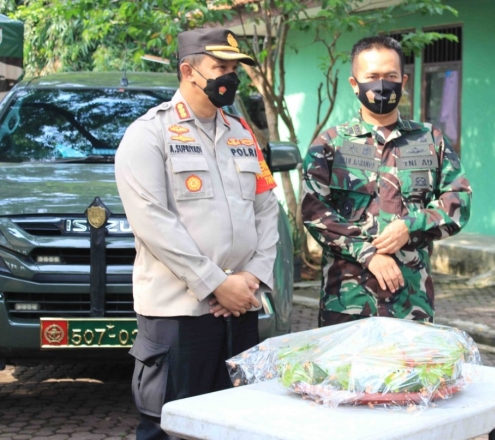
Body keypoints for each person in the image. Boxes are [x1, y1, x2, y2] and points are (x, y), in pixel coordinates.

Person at [115, 28, 279, 439]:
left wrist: (251, 278)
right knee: (170, 426)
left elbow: (267, 208)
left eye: (234, 69)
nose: (230, 76)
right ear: (188, 71)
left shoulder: (244, 136)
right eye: (219, 68)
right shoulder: (149, 134)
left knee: (238, 423)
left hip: (240, 308)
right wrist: (214, 284)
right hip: (179, 316)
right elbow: (153, 222)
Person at [301, 36, 472, 327]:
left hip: (411, 302)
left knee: (408, 373)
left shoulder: (430, 139)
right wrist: (367, 253)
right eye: (372, 77)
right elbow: (313, 211)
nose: (382, 85)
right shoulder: (331, 144)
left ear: (403, 82)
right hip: (347, 302)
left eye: (390, 76)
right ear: (355, 84)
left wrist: (410, 225)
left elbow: (458, 199)